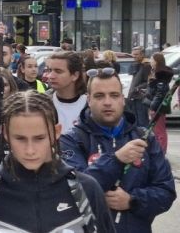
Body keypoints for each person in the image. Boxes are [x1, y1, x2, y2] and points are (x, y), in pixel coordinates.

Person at [0, 91, 115, 232]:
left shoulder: (85, 189)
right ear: (5, 134)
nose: (30, 150)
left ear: (57, 131)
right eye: (20, 139)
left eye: (39, 138)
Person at [59, 69, 176, 232]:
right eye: (99, 96)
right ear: (89, 100)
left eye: (114, 95)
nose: (107, 102)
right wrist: (116, 160)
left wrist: (132, 201)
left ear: (123, 99)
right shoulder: (71, 140)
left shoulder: (144, 138)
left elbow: (166, 192)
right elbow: (72, 192)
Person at [43, 51, 87, 129]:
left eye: (58, 71)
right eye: (49, 70)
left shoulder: (90, 104)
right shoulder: (42, 102)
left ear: (75, 75)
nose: (51, 76)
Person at [146, 52, 173, 152]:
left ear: (157, 61)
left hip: (158, 107)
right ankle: (158, 150)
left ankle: (161, 151)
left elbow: (160, 93)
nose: (150, 61)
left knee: (159, 130)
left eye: (152, 59)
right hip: (155, 105)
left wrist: (153, 106)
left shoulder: (161, 74)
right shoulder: (155, 72)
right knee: (155, 131)